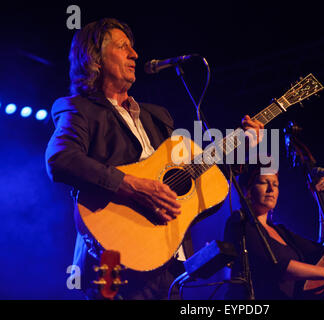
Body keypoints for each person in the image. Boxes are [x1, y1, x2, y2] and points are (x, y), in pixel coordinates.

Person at [45, 18, 263, 300]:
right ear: (94, 57)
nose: (135, 54)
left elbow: (197, 174)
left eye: (133, 47)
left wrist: (243, 147)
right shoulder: (78, 108)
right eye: (123, 47)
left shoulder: (157, 116)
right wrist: (135, 186)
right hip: (114, 260)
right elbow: (60, 158)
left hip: (171, 262)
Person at [223, 165, 324, 300]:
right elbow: (277, 266)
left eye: (275, 185)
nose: (271, 189)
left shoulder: (281, 231)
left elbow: (321, 252)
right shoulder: (240, 223)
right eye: (264, 182)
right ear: (247, 190)